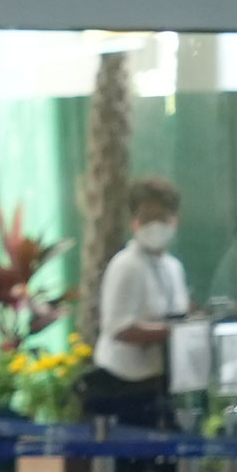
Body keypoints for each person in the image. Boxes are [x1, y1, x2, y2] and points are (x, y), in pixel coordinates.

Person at [86, 178, 190, 441]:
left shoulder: (173, 268)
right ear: (134, 223)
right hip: (123, 388)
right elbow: (117, 328)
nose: (154, 225)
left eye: (161, 217)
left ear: (174, 220)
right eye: (146, 218)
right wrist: (171, 333)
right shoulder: (126, 265)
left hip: (160, 385)